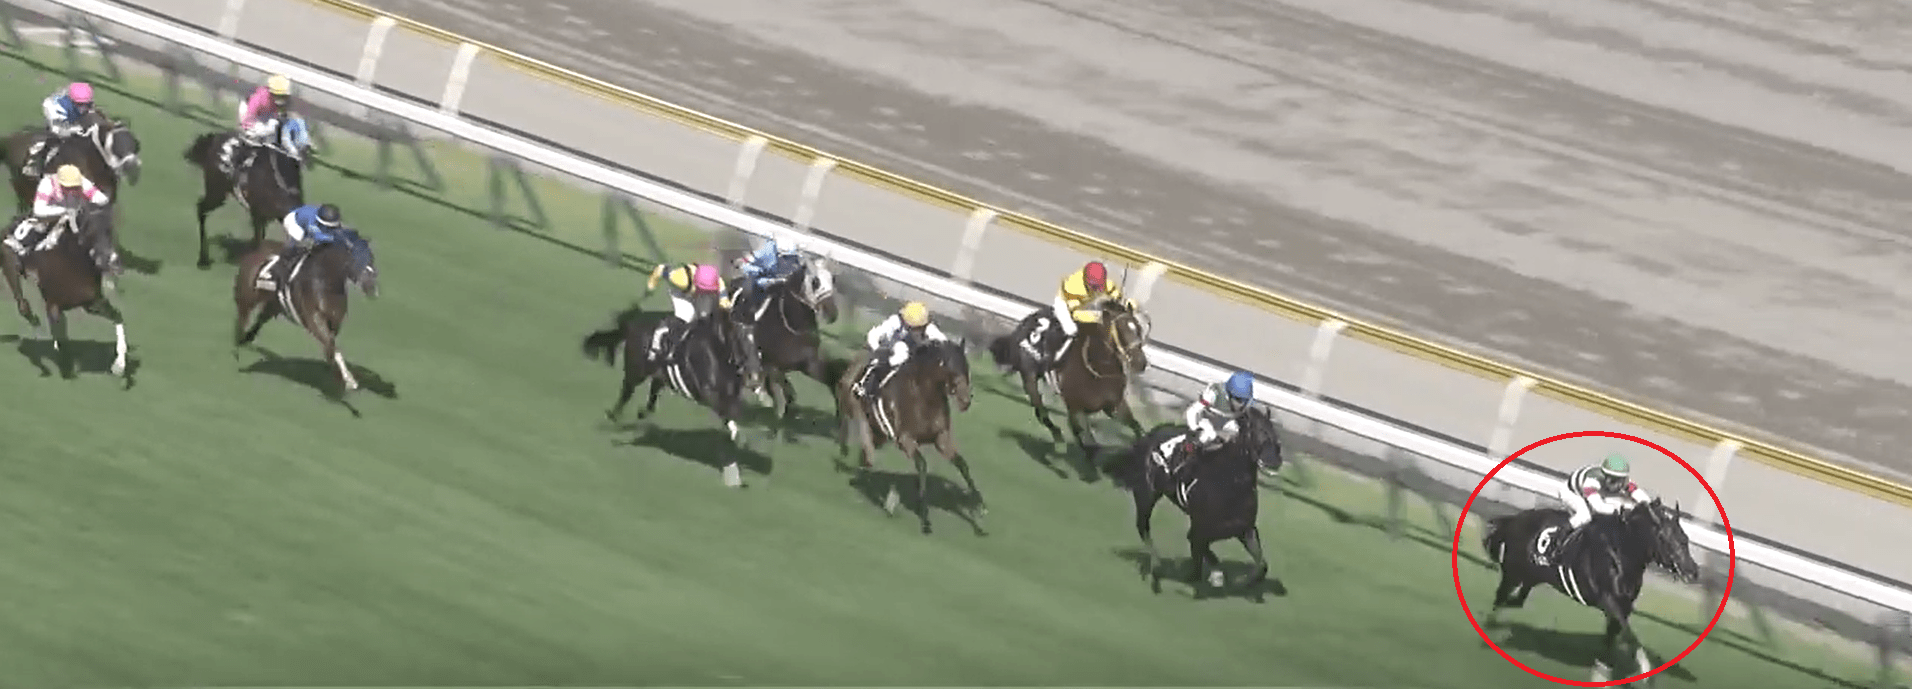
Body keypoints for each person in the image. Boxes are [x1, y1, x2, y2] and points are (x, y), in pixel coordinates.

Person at [1025, 261, 1134, 372]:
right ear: (1086, 280)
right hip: (1066, 305)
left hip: (1085, 304)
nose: (1097, 289)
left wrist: (1126, 302)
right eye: (1094, 286)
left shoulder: (1103, 282)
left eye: (1099, 286)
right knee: (1072, 329)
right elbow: (1075, 314)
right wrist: (1096, 317)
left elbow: (1115, 293)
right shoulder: (1075, 287)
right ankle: (1056, 357)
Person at [1546, 453, 1655, 565]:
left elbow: (1640, 495)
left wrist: (1651, 506)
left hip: (1597, 492)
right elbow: (1598, 507)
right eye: (1613, 481)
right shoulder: (1592, 481)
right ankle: (1556, 539)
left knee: (1626, 504)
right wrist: (1621, 511)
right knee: (1585, 516)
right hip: (1572, 492)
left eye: (1620, 481)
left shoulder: (1624, 481)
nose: (1618, 485)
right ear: (1605, 476)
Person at [6, 165, 109, 261]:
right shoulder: (47, 184)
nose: (72, 190)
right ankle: (21, 248)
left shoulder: (82, 182)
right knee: (37, 228)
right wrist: (64, 211)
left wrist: (91, 204)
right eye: (68, 187)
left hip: (75, 216)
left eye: (74, 186)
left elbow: (102, 200)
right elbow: (38, 210)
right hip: (49, 219)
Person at [853, 301, 950, 399]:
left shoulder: (927, 328)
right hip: (888, 350)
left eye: (920, 327)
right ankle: (865, 384)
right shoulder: (895, 321)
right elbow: (874, 334)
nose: (918, 331)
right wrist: (878, 350)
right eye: (916, 328)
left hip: (910, 358)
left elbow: (943, 341)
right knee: (901, 349)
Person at [1166, 371, 1256, 477]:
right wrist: (1194, 431)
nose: (1242, 405)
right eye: (1240, 401)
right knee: (1208, 435)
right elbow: (1192, 411)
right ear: (1230, 395)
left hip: (1223, 424)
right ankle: (1177, 460)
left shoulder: (1242, 403)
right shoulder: (1214, 394)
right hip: (1203, 420)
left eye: (1245, 401)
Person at [644, 263, 729, 364]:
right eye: (707, 291)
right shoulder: (681, 280)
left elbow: (720, 284)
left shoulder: (713, 279)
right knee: (686, 317)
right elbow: (661, 269)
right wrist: (652, 283)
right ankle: (659, 336)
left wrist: (724, 298)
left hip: (696, 290)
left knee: (704, 317)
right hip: (682, 292)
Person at [224, 75, 302, 174]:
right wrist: (250, 130)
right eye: (282, 95)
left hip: (263, 115)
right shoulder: (260, 97)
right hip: (248, 111)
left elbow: (279, 123)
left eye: (285, 96)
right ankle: (231, 153)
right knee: (255, 134)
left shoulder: (278, 102)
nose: (285, 99)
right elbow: (248, 118)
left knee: (272, 129)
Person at [26, 82, 97, 177]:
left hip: (71, 114)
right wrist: (78, 129)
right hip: (57, 119)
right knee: (54, 139)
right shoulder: (55, 107)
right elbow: (58, 130)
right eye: (80, 104)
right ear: (71, 100)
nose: (83, 108)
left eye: (86, 104)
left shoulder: (87, 103)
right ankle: (35, 162)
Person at [263, 203, 343, 285]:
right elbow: (319, 237)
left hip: (306, 220)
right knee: (294, 247)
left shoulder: (330, 221)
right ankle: (274, 270)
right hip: (295, 223)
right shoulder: (313, 225)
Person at [732, 236, 803, 314]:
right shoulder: (755, 301)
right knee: (785, 266)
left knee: (773, 263)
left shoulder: (749, 285)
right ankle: (792, 252)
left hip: (763, 270)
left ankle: (787, 250)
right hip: (767, 273)